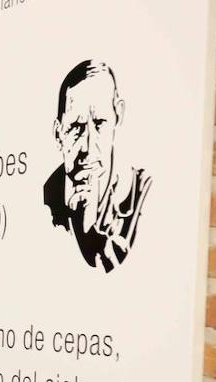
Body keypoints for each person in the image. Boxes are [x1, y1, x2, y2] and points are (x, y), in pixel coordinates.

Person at [43, 59, 152, 273]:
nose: (88, 146)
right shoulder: (45, 198)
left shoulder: (141, 192)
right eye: (76, 127)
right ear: (58, 134)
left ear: (118, 115)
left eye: (99, 122)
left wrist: (89, 234)